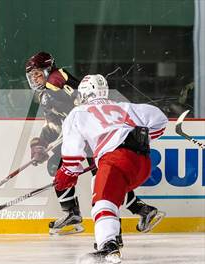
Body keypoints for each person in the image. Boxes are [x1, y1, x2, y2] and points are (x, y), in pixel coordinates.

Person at [25, 52, 165, 236]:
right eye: (32, 75)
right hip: (86, 136)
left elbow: (78, 103)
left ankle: (79, 215)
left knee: (100, 178)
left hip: (91, 135)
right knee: (101, 176)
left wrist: (75, 126)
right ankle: (140, 211)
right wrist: (40, 143)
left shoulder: (56, 80)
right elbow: (53, 124)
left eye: (37, 73)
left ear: (47, 69)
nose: (35, 78)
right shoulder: (47, 92)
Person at [54, 74, 168, 264]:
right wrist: (141, 139)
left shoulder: (78, 112)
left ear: (83, 94)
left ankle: (108, 246)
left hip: (115, 160)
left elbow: (72, 157)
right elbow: (160, 119)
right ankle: (114, 236)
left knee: (103, 200)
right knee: (100, 184)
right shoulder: (124, 106)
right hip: (142, 164)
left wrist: (66, 175)